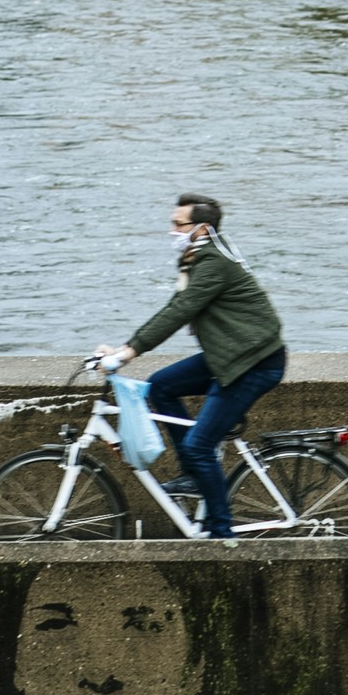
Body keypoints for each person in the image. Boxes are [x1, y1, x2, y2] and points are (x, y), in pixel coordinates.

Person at [95, 192, 285, 541]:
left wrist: (128, 353)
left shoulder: (213, 264)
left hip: (253, 363)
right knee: (161, 386)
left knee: (200, 445)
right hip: (229, 355)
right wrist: (125, 347)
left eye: (177, 224)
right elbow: (175, 307)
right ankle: (193, 477)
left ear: (202, 228)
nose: (172, 230)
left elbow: (180, 312)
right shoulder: (196, 257)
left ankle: (221, 537)